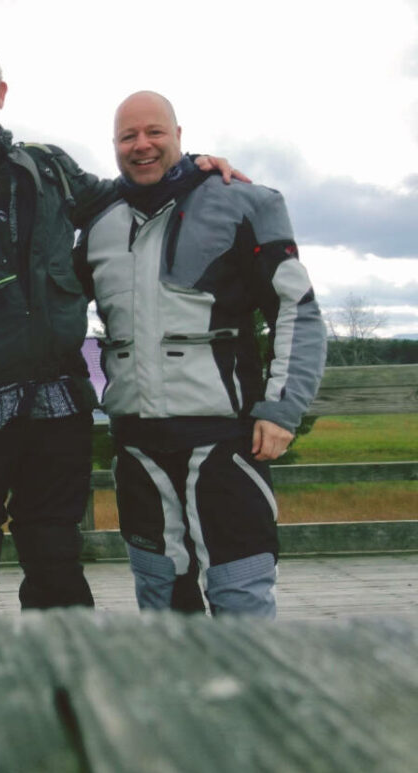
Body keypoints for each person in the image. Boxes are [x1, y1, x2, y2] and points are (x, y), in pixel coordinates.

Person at [0, 36, 238, 614]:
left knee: (57, 566)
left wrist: (191, 168)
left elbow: (131, 189)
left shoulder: (48, 169)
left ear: (1, 91)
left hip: (56, 408)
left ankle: (60, 695)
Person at [75, 91, 326, 618]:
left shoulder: (244, 203)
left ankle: (249, 701)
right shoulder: (98, 222)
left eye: (154, 132)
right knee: (160, 595)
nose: (141, 145)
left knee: (240, 591)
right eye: (127, 136)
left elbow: (296, 309)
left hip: (224, 441)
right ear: (114, 145)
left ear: (179, 136)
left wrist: (283, 408)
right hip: (137, 445)